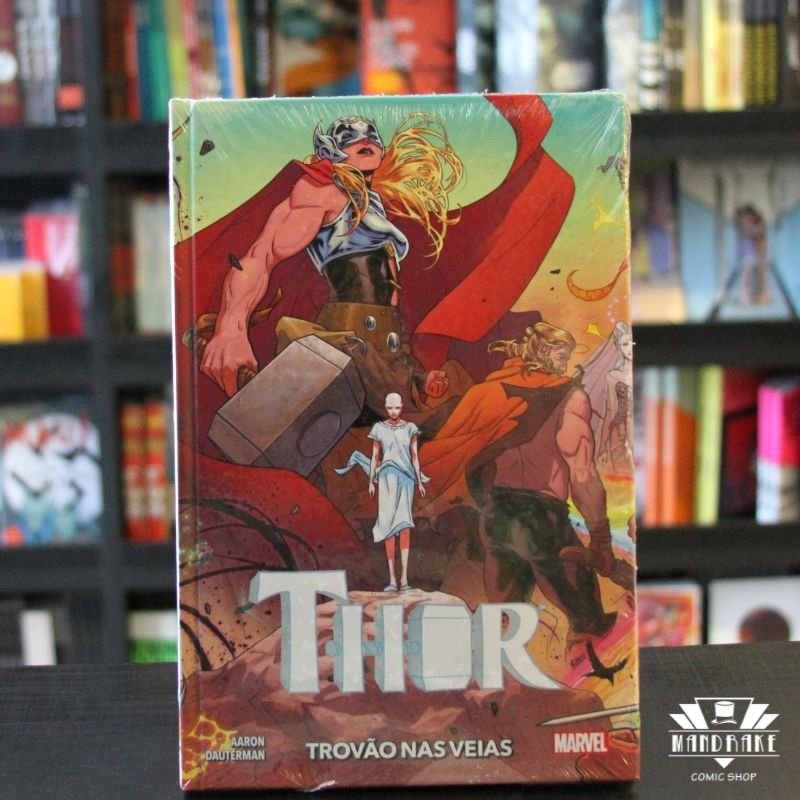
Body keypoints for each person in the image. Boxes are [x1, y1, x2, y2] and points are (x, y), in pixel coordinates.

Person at [199, 113, 464, 413]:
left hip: (386, 349)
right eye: (348, 136)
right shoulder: (322, 191)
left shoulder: (371, 201)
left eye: (371, 135)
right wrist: (230, 328)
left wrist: (418, 379)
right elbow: (262, 255)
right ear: (330, 150)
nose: (364, 138)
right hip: (348, 340)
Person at [420, 321, 621, 637]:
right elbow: (582, 473)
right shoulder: (570, 397)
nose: (564, 365)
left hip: (496, 517)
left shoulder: (487, 393)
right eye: (561, 356)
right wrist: (600, 536)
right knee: (591, 625)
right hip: (543, 519)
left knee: (505, 626)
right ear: (541, 350)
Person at [336, 392, 428, 591]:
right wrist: (371, 482)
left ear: (402, 407)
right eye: (390, 408)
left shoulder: (410, 428)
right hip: (386, 478)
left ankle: (404, 579)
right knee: (387, 526)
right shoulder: (379, 428)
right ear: (386, 408)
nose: (394, 411)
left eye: (397, 408)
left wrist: (419, 481)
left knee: (404, 524)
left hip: (406, 479)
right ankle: (392, 580)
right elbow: (375, 456)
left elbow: (414, 457)